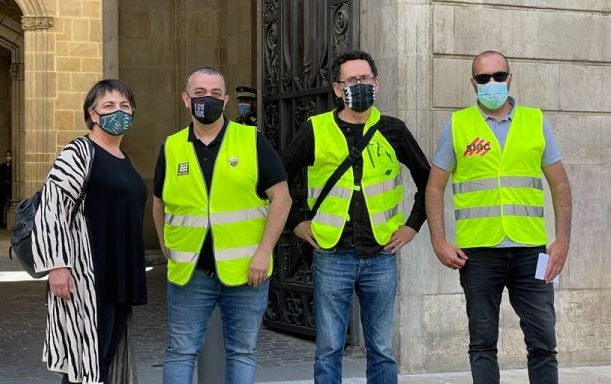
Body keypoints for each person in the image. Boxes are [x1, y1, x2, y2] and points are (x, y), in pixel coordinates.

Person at [282, 50, 430, 384]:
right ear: (337, 89)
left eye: (364, 79)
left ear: (376, 83)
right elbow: (277, 179)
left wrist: (411, 226)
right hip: (332, 254)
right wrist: (297, 222)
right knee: (329, 348)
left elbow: (427, 179)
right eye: (351, 80)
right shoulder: (315, 129)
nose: (359, 85)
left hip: (380, 255)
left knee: (381, 349)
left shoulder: (394, 130)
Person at [425, 50, 572, 384]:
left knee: (543, 344)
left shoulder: (536, 121)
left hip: (531, 249)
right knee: (481, 345)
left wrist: (562, 240)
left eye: (498, 76)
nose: (491, 83)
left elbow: (560, 183)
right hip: (477, 254)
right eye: (483, 78)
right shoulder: (458, 125)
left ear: (510, 78)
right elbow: (434, 188)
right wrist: (438, 240)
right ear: (473, 83)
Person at [153, 66, 291, 384]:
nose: (208, 99)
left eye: (216, 94)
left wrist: (263, 253)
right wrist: (164, 244)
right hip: (190, 273)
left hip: (246, 273)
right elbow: (158, 202)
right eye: (200, 93)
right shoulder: (172, 147)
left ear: (226, 100)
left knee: (242, 352)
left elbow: (281, 198)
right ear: (186, 100)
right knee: (180, 352)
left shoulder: (250, 140)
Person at [32, 79, 148, 384]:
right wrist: (57, 266)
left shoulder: (124, 158)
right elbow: (52, 208)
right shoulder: (79, 151)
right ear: (92, 115)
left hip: (120, 276)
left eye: (124, 105)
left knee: (105, 358)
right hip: (89, 276)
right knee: (86, 361)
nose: (118, 111)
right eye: (108, 105)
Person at [0, 150, 12, 227]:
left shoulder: (14, 166)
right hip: (3, 188)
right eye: (7, 156)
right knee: (1, 205)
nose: (8, 157)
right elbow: (0, 175)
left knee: (11, 204)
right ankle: (0, 222)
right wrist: (6, 180)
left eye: (9, 156)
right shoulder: (2, 166)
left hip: (10, 188)